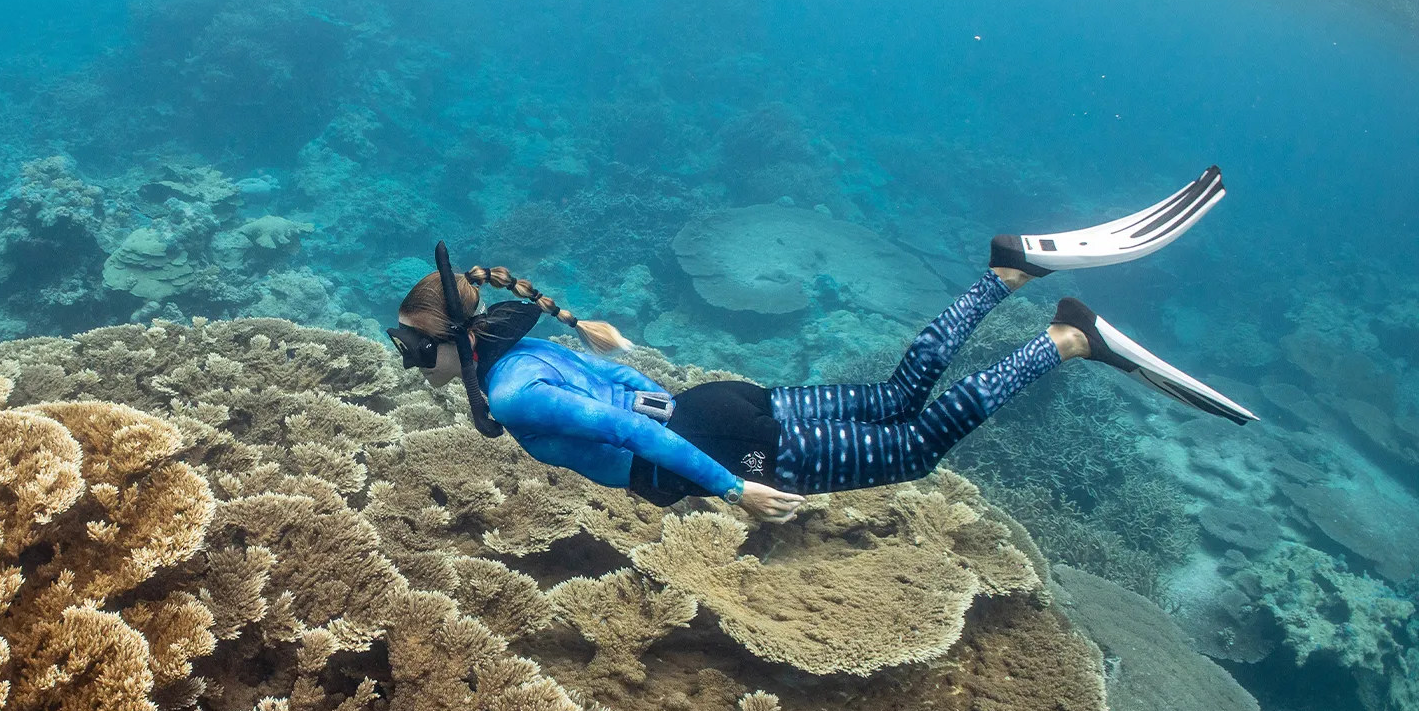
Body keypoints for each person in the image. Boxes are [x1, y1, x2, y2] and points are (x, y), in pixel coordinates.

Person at [386, 167, 1255, 524]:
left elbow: (634, 435)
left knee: (914, 447)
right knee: (891, 400)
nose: (411, 365)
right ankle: (1006, 274)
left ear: (452, 341)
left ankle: (1065, 340)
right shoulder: (524, 354)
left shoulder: (512, 393)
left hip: (720, 442)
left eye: (413, 350)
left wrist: (735, 490)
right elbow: (628, 388)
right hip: (718, 405)